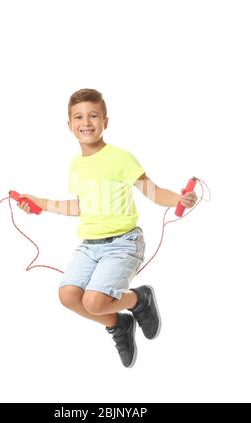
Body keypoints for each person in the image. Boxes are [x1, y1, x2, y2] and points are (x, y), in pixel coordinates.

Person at [18, 88, 197, 368]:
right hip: (90, 246)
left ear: (105, 122)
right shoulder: (76, 165)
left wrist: (178, 199)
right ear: (69, 125)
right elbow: (81, 206)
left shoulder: (120, 158)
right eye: (79, 117)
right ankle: (118, 325)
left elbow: (154, 192)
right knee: (68, 295)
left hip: (123, 243)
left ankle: (140, 299)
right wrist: (39, 203)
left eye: (93, 116)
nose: (86, 122)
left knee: (94, 301)